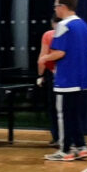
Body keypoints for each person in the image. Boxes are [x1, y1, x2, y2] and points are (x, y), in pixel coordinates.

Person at [39, 0, 87, 162]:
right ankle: (81, 147)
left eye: (56, 6)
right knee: (74, 114)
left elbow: (60, 52)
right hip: (82, 77)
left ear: (63, 6)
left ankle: (65, 150)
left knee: (63, 115)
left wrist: (45, 58)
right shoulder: (83, 25)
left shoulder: (63, 25)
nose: (55, 9)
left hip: (67, 78)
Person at [37, 16, 62, 147]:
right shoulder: (70, 34)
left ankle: (58, 137)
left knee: (53, 107)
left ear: (53, 23)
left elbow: (42, 58)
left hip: (54, 74)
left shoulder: (48, 35)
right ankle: (66, 138)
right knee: (66, 108)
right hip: (66, 75)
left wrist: (40, 75)